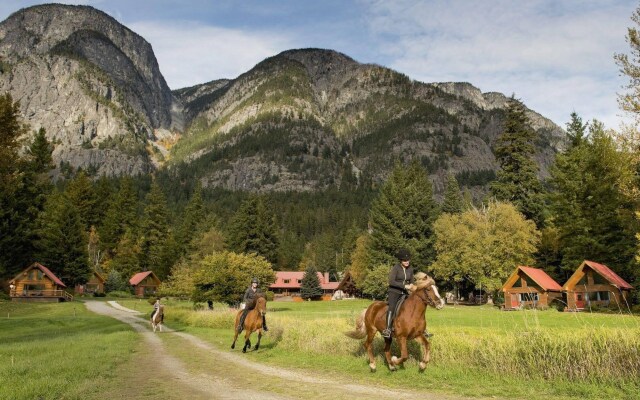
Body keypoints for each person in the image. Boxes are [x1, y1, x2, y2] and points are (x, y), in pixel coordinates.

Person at [382, 248, 414, 339]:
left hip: (405, 293)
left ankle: (421, 329)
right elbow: (391, 281)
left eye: (408, 260)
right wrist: (405, 286)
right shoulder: (396, 268)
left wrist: (412, 284)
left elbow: (411, 279)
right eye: (405, 260)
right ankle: (388, 329)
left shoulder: (410, 268)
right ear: (401, 260)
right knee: (392, 307)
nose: (407, 261)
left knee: (414, 305)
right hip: (394, 292)